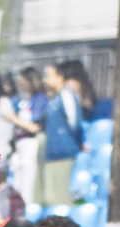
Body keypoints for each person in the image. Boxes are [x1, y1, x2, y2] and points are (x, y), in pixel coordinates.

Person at [38, 63, 83, 207]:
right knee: (53, 196)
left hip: (64, 152)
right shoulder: (54, 99)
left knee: (62, 196)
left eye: (49, 76)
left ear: (60, 77)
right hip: (54, 153)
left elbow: (74, 122)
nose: (45, 80)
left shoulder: (66, 95)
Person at [6, 67, 48, 206]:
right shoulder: (23, 100)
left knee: (27, 182)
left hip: (30, 143)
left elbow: (34, 126)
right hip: (19, 144)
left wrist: (14, 119)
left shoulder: (40, 99)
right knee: (17, 181)